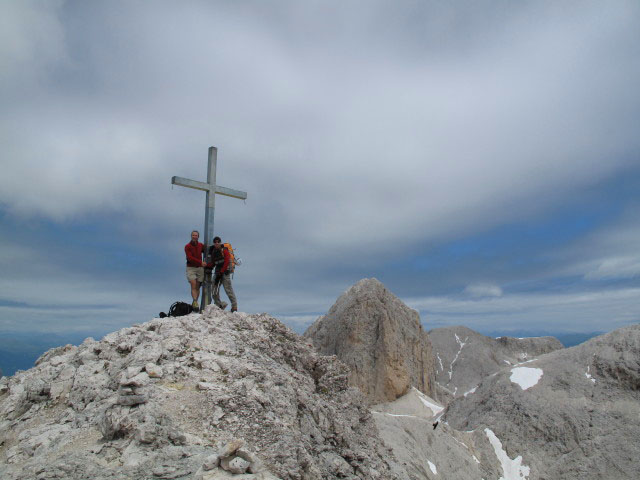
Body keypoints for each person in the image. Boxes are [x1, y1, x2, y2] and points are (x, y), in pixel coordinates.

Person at [209, 236, 238, 312]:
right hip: (217, 272)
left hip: (225, 272)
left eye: (218, 242)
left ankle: (234, 306)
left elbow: (227, 261)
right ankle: (219, 305)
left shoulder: (224, 250)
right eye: (215, 242)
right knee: (214, 290)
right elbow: (213, 263)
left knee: (228, 289)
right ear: (213, 243)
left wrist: (221, 272)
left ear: (220, 242)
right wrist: (207, 266)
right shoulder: (213, 252)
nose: (217, 243)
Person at [184, 230, 207, 310]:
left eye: (196, 235)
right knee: (193, 284)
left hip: (200, 268)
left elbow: (207, 251)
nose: (194, 236)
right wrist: (201, 262)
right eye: (193, 235)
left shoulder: (200, 245)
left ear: (198, 237)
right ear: (191, 236)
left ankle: (195, 303)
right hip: (191, 268)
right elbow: (190, 258)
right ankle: (195, 301)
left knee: (197, 286)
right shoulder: (187, 246)